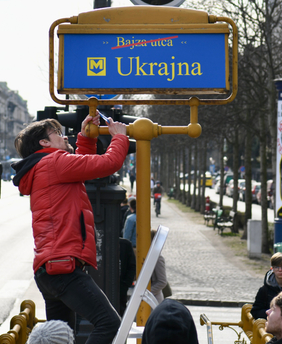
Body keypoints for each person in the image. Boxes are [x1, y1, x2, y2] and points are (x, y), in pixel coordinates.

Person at [11, 114, 128, 344]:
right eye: (57, 133)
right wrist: (119, 138)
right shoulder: (54, 162)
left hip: (49, 268)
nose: (64, 136)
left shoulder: (45, 166)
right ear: (44, 143)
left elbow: (80, 168)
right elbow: (107, 164)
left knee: (60, 338)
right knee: (110, 324)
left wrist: (85, 138)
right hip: (63, 268)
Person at [118, 237, 136, 314]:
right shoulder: (125, 244)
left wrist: (125, 284)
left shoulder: (125, 245)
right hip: (122, 287)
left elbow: (132, 267)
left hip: (121, 288)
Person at [149, 229, 168, 303]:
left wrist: (148, 293)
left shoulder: (158, 258)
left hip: (154, 298)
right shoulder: (148, 254)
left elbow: (162, 281)